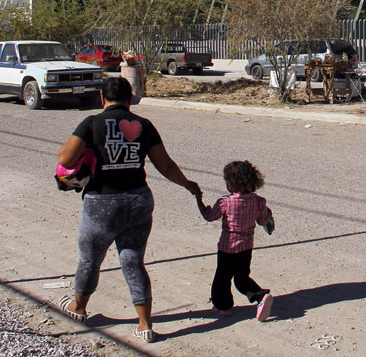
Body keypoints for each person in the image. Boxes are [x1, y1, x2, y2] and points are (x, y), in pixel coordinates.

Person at [56, 76, 200, 343]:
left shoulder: (91, 123)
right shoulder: (144, 126)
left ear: (102, 98)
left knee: (90, 260)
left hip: (102, 204)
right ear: (131, 99)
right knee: (133, 261)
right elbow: (165, 166)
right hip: (138, 202)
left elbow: (65, 158)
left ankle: (78, 308)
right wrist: (189, 185)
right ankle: (145, 325)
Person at [195, 160, 275, 321]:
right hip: (246, 248)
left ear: (231, 184)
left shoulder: (225, 202)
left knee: (222, 279)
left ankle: (223, 307)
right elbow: (263, 221)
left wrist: (199, 199)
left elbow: (209, 216)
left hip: (227, 248)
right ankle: (260, 296)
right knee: (242, 277)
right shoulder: (258, 201)